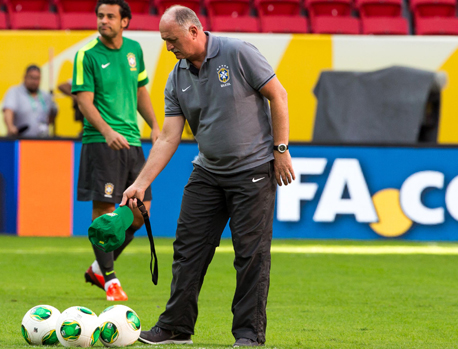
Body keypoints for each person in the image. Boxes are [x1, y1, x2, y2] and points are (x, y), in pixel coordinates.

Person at [121, 5, 295, 347]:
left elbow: (279, 95)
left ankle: (248, 335)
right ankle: (176, 326)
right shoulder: (177, 77)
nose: (168, 47)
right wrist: (141, 183)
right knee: (187, 249)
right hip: (208, 172)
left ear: (193, 32)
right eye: (164, 41)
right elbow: (170, 137)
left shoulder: (239, 52)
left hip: (253, 172)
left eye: (172, 40)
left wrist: (281, 149)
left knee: (250, 256)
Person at [72, 0, 160, 301]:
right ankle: (109, 279)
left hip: (133, 142)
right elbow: (84, 100)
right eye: (100, 15)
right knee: (105, 211)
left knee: (139, 214)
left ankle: (99, 267)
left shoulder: (134, 50)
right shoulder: (86, 55)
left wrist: (155, 126)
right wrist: (107, 131)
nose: (103, 21)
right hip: (101, 142)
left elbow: (140, 91)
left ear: (125, 21)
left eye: (110, 16)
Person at [3, 65, 57, 137]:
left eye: (37, 78)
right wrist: (10, 127)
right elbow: (8, 111)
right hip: (21, 139)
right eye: (31, 77)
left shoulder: (45, 96)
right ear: (25, 77)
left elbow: (52, 113)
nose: (34, 81)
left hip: (42, 140)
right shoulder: (15, 92)